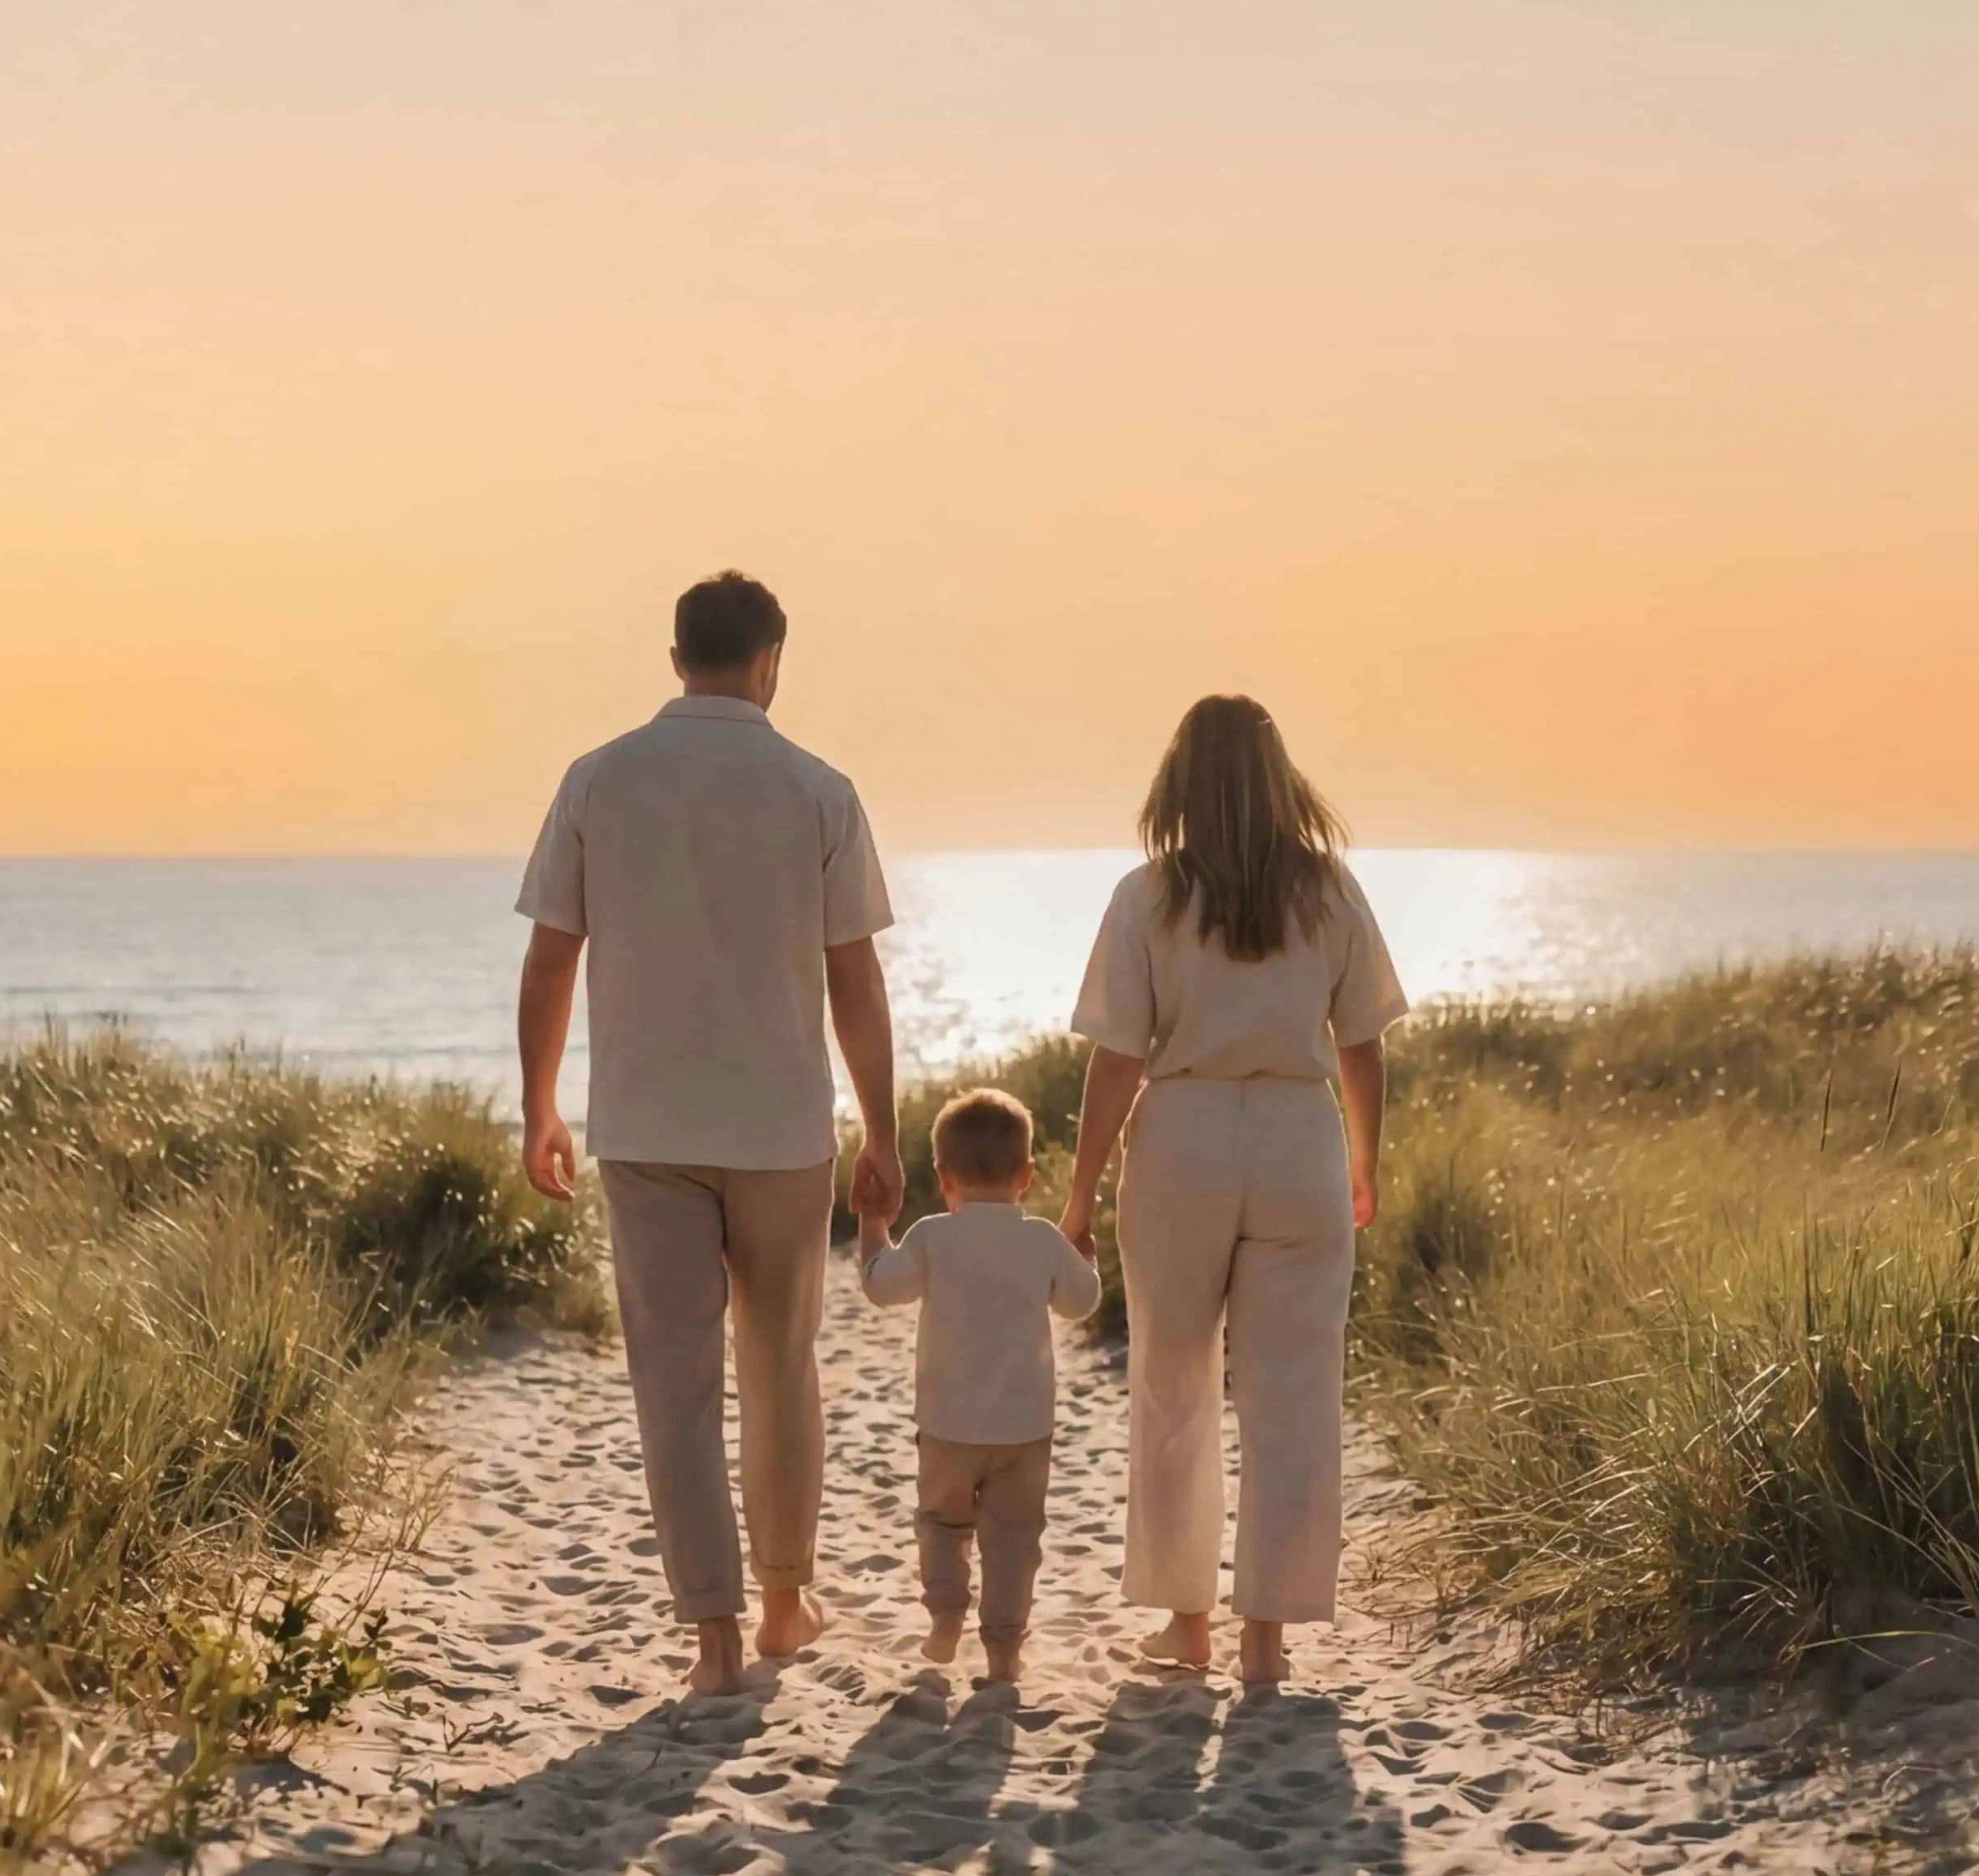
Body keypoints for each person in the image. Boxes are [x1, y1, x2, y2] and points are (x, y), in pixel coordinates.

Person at [514, 570, 903, 1700]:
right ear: (772, 658)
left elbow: (551, 957)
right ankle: (786, 1602)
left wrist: (541, 1106)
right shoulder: (816, 789)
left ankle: (716, 1640)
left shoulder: (599, 780)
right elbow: (855, 979)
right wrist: (881, 1129)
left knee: (674, 1385)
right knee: (780, 1369)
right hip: (783, 1126)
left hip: (646, 1123)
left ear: (676, 656)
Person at [1057, 697, 1406, 1693]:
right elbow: (1363, 1042)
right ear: (1277, 775)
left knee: (1174, 1384)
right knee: (1293, 1395)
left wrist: (1080, 1194)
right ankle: (1268, 1637)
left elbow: (1117, 1061)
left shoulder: (1148, 896)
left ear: (1179, 778)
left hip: (1183, 1139)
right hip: (1299, 1134)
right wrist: (1366, 1161)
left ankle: (1189, 1618)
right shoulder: (1330, 890)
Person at [857, 1087, 1101, 1689]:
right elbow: (1081, 1302)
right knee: (1014, 1539)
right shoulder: (1044, 1239)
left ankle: (945, 1616)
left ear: (943, 1176)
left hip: (946, 1425)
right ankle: (1002, 1652)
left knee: (942, 1523)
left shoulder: (932, 1236)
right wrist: (1086, 1261)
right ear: (1026, 1175)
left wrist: (871, 1225)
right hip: (1024, 1430)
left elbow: (880, 1286)